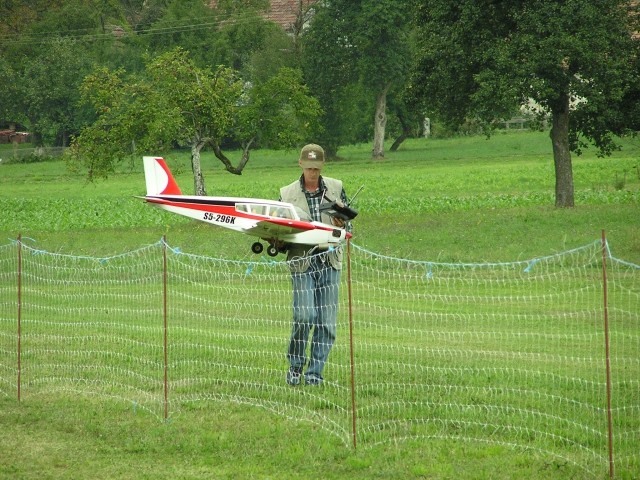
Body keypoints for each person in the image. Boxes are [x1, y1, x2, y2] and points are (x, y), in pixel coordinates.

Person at [279, 144, 351, 386]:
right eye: (309, 167)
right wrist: (275, 240)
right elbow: (279, 233)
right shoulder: (286, 193)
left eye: (317, 168)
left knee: (326, 323)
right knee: (304, 315)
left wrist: (342, 225)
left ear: (322, 166)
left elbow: (348, 226)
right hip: (302, 262)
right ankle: (296, 367)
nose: (313, 172)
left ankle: (314, 374)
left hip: (329, 261)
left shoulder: (336, 188)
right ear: (300, 164)